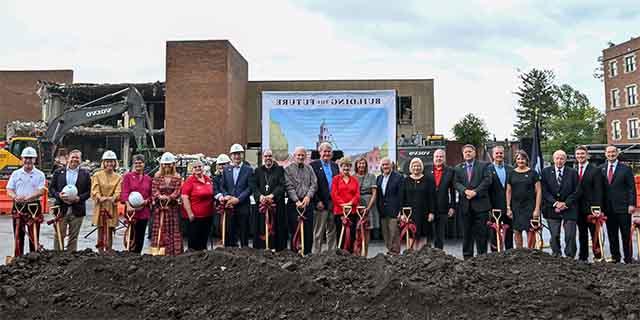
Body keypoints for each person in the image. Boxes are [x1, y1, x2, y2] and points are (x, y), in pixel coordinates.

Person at [454, 144, 492, 259]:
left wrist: (475, 192)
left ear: (474, 153)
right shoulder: (458, 168)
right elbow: (456, 183)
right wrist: (465, 191)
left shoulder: (484, 166)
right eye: (466, 152)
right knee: (466, 234)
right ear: (463, 154)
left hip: (481, 206)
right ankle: (467, 258)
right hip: (465, 206)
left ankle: (482, 257)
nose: (468, 153)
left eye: (470, 151)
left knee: (482, 234)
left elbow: (487, 180)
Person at [49, 149, 91, 251]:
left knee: (73, 236)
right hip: (61, 208)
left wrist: (79, 198)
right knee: (59, 234)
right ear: (68, 158)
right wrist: (59, 195)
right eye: (73, 157)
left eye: (77, 157)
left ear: (80, 160)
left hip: (77, 209)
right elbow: (51, 188)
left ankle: (71, 258)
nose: (75, 159)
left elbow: (88, 192)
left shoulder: (85, 174)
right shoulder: (58, 172)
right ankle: (57, 256)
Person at [6, 147, 46, 256]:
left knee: (34, 235)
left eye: (31, 158)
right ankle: (19, 259)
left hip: (33, 206)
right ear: (22, 159)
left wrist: (29, 197)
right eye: (26, 158)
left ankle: (34, 259)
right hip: (18, 206)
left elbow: (41, 190)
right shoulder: (16, 174)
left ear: (35, 160)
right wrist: (14, 196)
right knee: (18, 235)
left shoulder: (40, 174)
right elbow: (9, 189)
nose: (28, 160)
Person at [540, 150, 580, 258]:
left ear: (565, 160)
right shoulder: (545, 172)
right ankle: (556, 255)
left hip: (569, 208)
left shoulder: (572, 172)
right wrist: (555, 203)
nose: (559, 160)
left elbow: (577, 191)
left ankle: (570, 257)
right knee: (554, 235)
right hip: (552, 208)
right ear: (553, 159)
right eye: (557, 158)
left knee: (570, 235)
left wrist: (565, 203)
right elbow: (544, 190)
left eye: (562, 158)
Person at [602, 145, 637, 263]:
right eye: (609, 152)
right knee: (612, 235)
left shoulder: (625, 169)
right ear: (605, 154)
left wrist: (632, 204)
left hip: (623, 208)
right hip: (608, 208)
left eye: (613, 152)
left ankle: (628, 258)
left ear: (617, 153)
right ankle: (615, 257)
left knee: (626, 235)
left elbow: (631, 188)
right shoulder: (601, 169)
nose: (611, 154)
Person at [218, 144, 253, 247]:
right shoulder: (226, 169)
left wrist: (238, 199)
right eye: (234, 154)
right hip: (229, 207)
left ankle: (245, 254)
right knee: (230, 234)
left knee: (244, 234)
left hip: (243, 207)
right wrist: (226, 196)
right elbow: (222, 186)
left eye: (239, 154)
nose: (237, 156)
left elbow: (250, 188)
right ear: (231, 156)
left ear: (242, 155)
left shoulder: (248, 170)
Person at [284, 147, 317, 255]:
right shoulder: (288, 170)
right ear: (294, 156)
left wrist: (308, 197)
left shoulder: (310, 169)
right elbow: (289, 186)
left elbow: (314, 184)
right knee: (294, 230)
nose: (300, 157)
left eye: (302, 155)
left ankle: (307, 253)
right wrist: (296, 200)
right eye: (298, 155)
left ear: (305, 156)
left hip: (308, 203)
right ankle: (295, 253)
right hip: (294, 204)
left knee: (308, 231)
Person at [252, 149, 287, 250]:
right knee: (262, 227)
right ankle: (263, 249)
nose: (268, 158)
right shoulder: (258, 171)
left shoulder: (279, 170)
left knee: (277, 228)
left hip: (276, 205)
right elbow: (253, 186)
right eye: (266, 156)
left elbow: (282, 185)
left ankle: (277, 249)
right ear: (263, 158)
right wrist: (260, 196)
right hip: (262, 206)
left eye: (270, 156)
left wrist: (272, 195)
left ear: (273, 157)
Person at [506, 151, 541, 248]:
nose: (520, 161)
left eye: (522, 159)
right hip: (516, 207)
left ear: (526, 160)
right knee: (517, 230)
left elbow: (538, 191)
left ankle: (530, 253)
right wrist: (508, 208)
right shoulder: (511, 173)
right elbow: (508, 191)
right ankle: (519, 253)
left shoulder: (533, 173)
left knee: (531, 230)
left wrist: (537, 209)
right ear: (515, 160)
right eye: (518, 159)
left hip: (530, 206)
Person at [574, 146, 604, 262]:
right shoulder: (574, 170)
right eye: (578, 154)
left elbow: (598, 190)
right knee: (582, 234)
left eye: (582, 154)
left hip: (591, 209)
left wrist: (597, 208)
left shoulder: (595, 170)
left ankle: (598, 256)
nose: (580, 156)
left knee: (594, 234)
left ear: (587, 155)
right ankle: (583, 257)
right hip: (578, 208)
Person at [151, 152, 183, 256]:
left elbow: (178, 191)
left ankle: (173, 252)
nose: (167, 166)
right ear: (162, 165)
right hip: (160, 208)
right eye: (165, 164)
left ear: (173, 165)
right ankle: (158, 251)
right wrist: (160, 196)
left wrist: (170, 197)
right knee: (160, 228)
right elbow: (154, 189)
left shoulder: (177, 177)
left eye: (169, 164)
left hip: (172, 209)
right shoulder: (157, 176)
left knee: (173, 230)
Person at [310, 142, 339, 253]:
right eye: (324, 151)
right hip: (320, 203)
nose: (326, 153)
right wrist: (317, 201)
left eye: (329, 151)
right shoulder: (313, 166)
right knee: (319, 231)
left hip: (333, 203)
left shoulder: (335, 166)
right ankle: (316, 254)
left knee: (332, 230)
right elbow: (311, 184)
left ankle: (332, 253)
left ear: (331, 153)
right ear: (320, 152)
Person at [91, 150, 122, 253]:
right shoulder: (97, 175)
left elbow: (118, 191)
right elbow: (95, 189)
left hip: (111, 206)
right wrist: (99, 197)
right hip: (100, 205)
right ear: (103, 163)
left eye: (111, 161)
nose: (109, 164)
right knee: (100, 228)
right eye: (107, 161)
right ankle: (100, 251)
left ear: (115, 163)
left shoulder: (118, 177)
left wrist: (112, 198)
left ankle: (109, 251)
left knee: (110, 229)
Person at [425, 149, 456, 250]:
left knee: (440, 234)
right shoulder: (426, 169)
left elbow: (452, 190)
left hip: (443, 207)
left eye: (441, 156)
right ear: (433, 158)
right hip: (428, 207)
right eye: (437, 156)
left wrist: (452, 206)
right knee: (427, 234)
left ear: (444, 158)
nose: (439, 158)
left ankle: (439, 255)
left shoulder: (450, 171)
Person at [399, 158, 433, 249]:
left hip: (424, 212)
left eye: (418, 166)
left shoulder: (428, 180)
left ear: (421, 167)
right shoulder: (405, 180)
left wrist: (431, 212)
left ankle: (421, 255)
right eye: (414, 166)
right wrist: (402, 213)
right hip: (409, 214)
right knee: (411, 234)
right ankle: (411, 255)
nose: (416, 168)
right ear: (411, 167)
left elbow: (431, 197)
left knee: (423, 234)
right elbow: (402, 198)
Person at [181, 160, 214, 251]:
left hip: (208, 216)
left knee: (204, 240)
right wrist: (190, 213)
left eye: (199, 166)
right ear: (192, 169)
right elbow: (184, 198)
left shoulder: (208, 179)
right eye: (195, 167)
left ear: (203, 168)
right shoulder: (189, 181)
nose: (198, 168)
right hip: (195, 217)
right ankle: (192, 259)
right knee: (194, 241)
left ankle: (203, 261)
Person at [330, 157, 361, 253]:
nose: (346, 170)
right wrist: (343, 205)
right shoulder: (336, 179)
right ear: (340, 168)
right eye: (344, 167)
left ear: (350, 168)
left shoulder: (354, 180)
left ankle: (350, 254)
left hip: (352, 211)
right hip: (339, 211)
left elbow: (357, 194)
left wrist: (350, 204)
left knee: (351, 234)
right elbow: (334, 194)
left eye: (348, 167)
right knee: (340, 233)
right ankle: (340, 253)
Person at [487, 145, 514, 251]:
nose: (499, 155)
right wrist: (489, 207)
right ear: (493, 155)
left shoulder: (510, 169)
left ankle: (509, 252)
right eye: (497, 153)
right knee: (494, 233)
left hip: (509, 207)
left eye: (501, 153)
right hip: (494, 207)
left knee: (509, 232)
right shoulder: (487, 169)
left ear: (504, 154)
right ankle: (495, 254)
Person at [376, 157, 403, 254]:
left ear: (391, 165)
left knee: (394, 234)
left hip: (394, 211)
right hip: (383, 211)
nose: (385, 166)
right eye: (383, 165)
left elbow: (401, 195)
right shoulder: (379, 178)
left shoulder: (398, 177)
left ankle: (395, 255)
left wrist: (401, 211)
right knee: (386, 234)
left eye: (387, 164)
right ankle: (389, 252)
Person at [354, 157, 378, 256]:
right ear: (356, 165)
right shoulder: (353, 177)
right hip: (357, 205)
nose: (361, 165)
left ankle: (365, 253)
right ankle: (357, 254)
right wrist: (357, 205)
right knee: (357, 230)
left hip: (369, 205)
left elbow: (374, 193)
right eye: (359, 163)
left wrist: (368, 207)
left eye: (363, 163)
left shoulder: (372, 176)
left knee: (367, 230)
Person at [212, 154, 230, 243]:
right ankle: (221, 240)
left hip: (230, 203)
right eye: (220, 164)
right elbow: (214, 189)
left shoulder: (231, 177)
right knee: (218, 224)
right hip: (220, 205)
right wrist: (220, 197)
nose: (222, 166)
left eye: (224, 164)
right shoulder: (216, 178)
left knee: (229, 226)